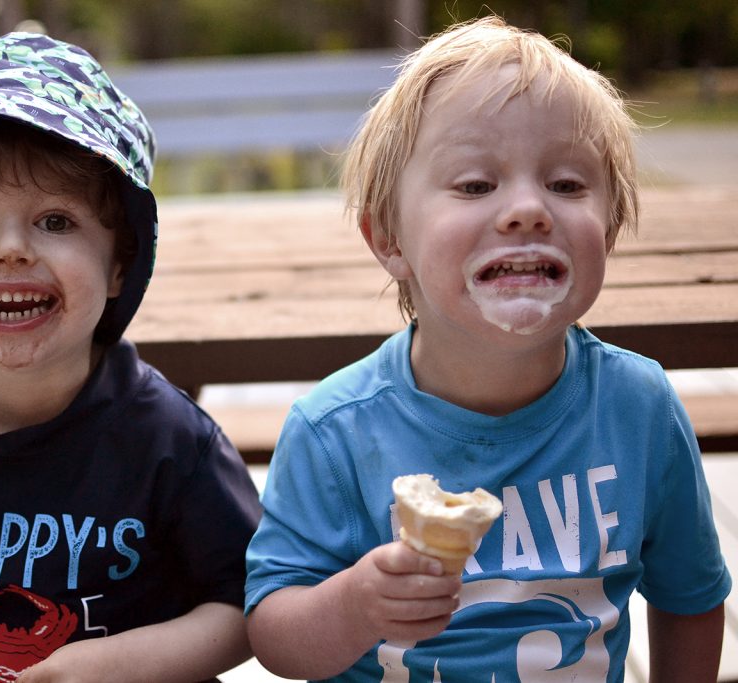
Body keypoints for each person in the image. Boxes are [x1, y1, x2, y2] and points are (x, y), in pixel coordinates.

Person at [244, 16, 731, 682]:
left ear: (610, 227)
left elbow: (691, 598)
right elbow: (273, 634)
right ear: (388, 238)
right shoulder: (334, 431)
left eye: (566, 185)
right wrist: (357, 604)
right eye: (475, 185)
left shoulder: (638, 408)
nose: (527, 209)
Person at [0, 33, 261, 683]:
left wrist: (104, 666)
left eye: (55, 220)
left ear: (118, 262)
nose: (10, 250)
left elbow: (244, 607)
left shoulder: (169, 440)